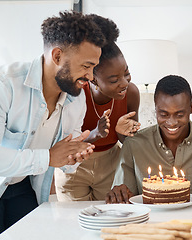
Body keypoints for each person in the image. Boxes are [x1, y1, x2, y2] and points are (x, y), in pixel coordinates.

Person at [0, 11, 105, 238]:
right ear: (58, 56)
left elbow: (65, 160)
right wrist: (49, 157)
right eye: (86, 66)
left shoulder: (76, 97)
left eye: (93, 68)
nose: (90, 76)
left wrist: (73, 155)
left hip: (24, 188)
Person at [106, 75, 192, 204]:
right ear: (155, 108)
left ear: (191, 107)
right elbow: (126, 197)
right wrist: (119, 194)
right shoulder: (133, 145)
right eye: (163, 114)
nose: (172, 123)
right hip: (150, 221)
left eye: (179, 114)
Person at [54, 15, 140, 201]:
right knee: (73, 222)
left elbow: (129, 144)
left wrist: (122, 133)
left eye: (126, 73)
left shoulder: (131, 93)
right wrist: (95, 133)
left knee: (110, 219)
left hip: (110, 163)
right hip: (75, 166)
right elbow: (66, 143)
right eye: (114, 79)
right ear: (92, 77)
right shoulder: (74, 94)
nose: (124, 83)